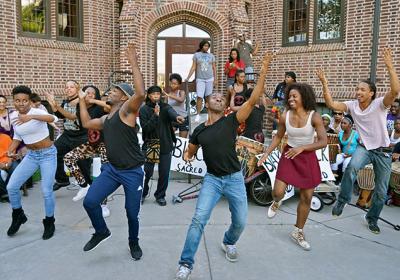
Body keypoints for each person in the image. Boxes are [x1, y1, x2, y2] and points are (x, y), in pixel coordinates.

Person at [175, 52, 273, 280]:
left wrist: (264, 70)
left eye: (221, 97)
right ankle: (185, 264)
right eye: (215, 97)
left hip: (234, 179)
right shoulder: (199, 131)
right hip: (212, 180)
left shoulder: (232, 121)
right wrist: (189, 157)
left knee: (240, 222)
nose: (219, 99)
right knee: (198, 219)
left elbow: (252, 99)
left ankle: (228, 241)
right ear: (206, 103)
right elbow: (190, 152)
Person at [316, 47, 400, 234]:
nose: (358, 92)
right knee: (352, 167)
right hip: (364, 148)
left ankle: (372, 218)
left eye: (362, 89)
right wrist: (325, 83)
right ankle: (343, 200)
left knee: (380, 191)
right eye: (357, 89)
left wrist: (390, 67)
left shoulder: (380, 104)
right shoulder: (353, 106)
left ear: (371, 93)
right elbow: (331, 104)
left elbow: (395, 90)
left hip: (383, 152)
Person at [79, 43, 146, 260]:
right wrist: (81, 101)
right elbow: (87, 123)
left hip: (132, 172)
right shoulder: (106, 119)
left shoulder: (127, 112)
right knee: (90, 202)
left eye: (115, 90)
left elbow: (141, 93)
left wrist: (133, 61)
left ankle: (133, 242)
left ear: (124, 97)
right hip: (112, 169)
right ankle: (101, 231)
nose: (110, 91)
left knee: (131, 213)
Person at [257, 83, 327, 251]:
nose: (291, 98)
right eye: (290, 96)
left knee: (306, 198)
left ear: (304, 97)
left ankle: (298, 231)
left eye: (295, 96)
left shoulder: (314, 116)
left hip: (307, 157)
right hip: (289, 155)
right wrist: (267, 153)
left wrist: (302, 148)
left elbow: (323, 141)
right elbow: (278, 136)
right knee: (277, 192)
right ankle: (276, 202)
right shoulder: (285, 115)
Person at [6, 85, 58, 240]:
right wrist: (11, 151)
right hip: (31, 156)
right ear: (13, 101)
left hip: (48, 154)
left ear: (29, 101)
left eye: (25, 100)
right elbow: (18, 136)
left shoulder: (37, 112)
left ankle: (49, 222)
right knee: (12, 187)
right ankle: (18, 214)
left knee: (46, 191)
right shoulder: (14, 115)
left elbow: (53, 118)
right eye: (17, 100)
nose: (21, 103)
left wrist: (31, 117)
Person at [140, 85, 185, 206]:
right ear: (149, 96)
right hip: (151, 144)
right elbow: (146, 128)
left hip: (165, 144)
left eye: (158, 94)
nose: (156, 96)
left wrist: (177, 117)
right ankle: (143, 194)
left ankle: (160, 196)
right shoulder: (144, 110)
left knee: (164, 173)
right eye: (153, 94)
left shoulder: (165, 107)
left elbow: (171, 113)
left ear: (161, 95)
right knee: (147, 172)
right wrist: (155, 115)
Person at [63, 85, 108, 204]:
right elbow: (82, 118)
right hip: (92, 143)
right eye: (87, 92)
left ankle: (103, 204)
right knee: (69, 158)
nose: (90, 95)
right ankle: (84, 186)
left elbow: (110, 106)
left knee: (104, 174)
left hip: (106, 144)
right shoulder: (80, 106)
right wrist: (81, 100)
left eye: (93, 93)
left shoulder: (99, 107)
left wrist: (93, 100)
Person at [46, 80, 92, 191]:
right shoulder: (66, 101)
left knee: (83, 164)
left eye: (71, 87)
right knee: (54, 152)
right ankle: (62, 180)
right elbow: (60, 115)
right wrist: (53, 104)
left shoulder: (81, 102)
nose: (68, 89)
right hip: (67, 135)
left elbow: (72, 117)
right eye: (66, 87)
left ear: (77, 89)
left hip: (81, 136)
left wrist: (56, 104)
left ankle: (89, 187)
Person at [185, 40, 217, 119]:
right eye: (205, 46)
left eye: (207, 46)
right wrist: (188, 77)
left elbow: (214, 68)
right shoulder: (196, 55)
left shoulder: (211, 56)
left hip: (210, 79)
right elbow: (193, 67)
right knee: (199, 96)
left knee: (208, 97)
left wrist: (215, 79)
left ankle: (209, 114)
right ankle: (198, 114)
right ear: (201, 46)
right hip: (200, 79)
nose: (206, 47)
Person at [164, 73, 189, 138]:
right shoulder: (168, 95)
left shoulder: (181, 92)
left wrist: (169, 96)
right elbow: (165, 107)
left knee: (183, 141)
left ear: (179, 84)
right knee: (169, 137)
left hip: (183, 118)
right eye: (172, 83)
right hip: (172, 119)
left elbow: (181, 100)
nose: (173, 85)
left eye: (175, 84)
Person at [0, 132, 18, 201]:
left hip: (9, 160)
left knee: (16, 170)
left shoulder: (6, 137)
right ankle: (4, 194)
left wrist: (10, 160)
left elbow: (12, 150)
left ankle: (11, 190)